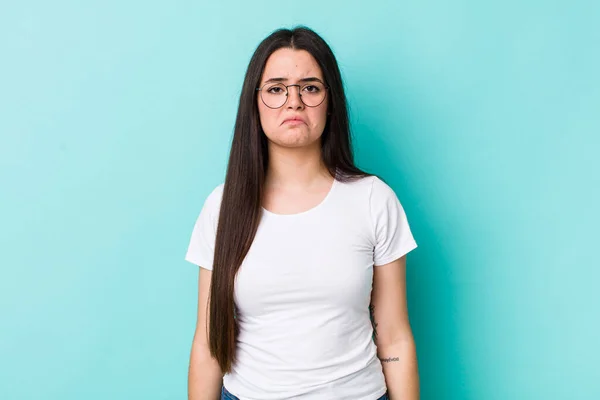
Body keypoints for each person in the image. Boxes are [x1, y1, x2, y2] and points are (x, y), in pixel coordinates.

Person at [185, 26, 419, 400]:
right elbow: (208, 343)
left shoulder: (374, 199)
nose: (293, 102)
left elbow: (394, 336)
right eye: (276, 89)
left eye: (310, 87)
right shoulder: (222, 206)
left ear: (330, 101)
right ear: (255, 102)